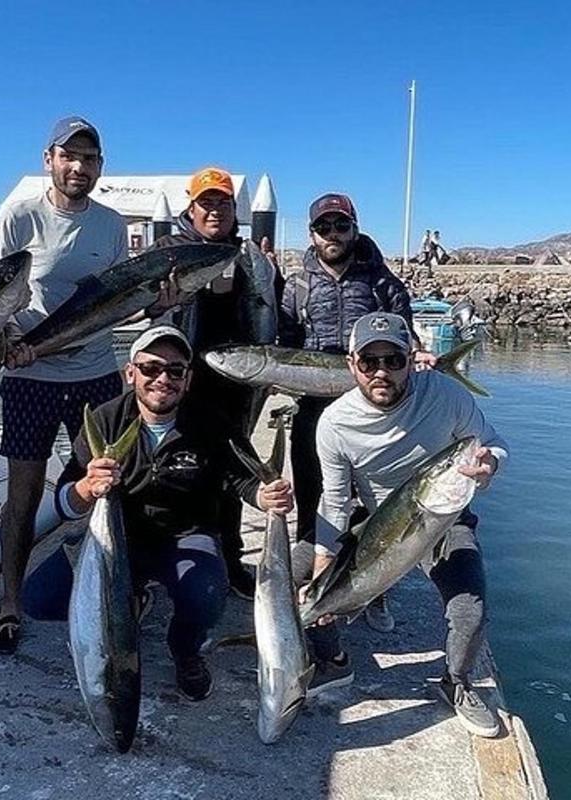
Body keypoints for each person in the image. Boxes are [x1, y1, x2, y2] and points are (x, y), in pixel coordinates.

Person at [21, 325, 293, 699]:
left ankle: (185, 651)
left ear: (188, 378)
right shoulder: (103, 421)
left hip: (186, 537)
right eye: (150, 368)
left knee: (207, 594)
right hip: (117, 539)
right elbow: (64, 505)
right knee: (39, 599)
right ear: (129, 373)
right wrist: (87, 486)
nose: (162, 378)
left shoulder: (211, 423)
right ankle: (132, 596)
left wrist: (266, 497)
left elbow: (242, 480)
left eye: (175, 370)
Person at [306, 312, 508, 738]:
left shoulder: (446, 396)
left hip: (444, 517)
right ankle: (334, 660)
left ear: (411, 358)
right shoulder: (336, 423)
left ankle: (456, 683)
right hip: (373, 518)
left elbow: (489, 444)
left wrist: (489, 465)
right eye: (369, 362)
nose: (382, 372)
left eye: (393, 361)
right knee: (300, 577)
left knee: (470, 610)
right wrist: (325, 563)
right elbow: (337, 499)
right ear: (352, 364)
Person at [0, 116, 131, 655]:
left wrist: (159, 303)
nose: (79, 167)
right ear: (49, 159)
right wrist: (11, 341)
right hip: (29, 375)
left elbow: (117, 298)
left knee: (107, 486)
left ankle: (102, 593)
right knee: (21, 495)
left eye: (89, 158)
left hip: (95, 373)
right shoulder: (18, 215)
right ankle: (9, 603)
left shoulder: (112, 226)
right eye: (70, 156)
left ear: (99, 167)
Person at [277, 192, 415, 632]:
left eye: (340, 226)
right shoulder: (297, 286)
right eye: (323, 227)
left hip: (372, 410)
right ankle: (314, 584)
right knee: (312, 496)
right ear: (312, 233)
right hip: (313, 408)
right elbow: (285, 343)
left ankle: (375, 591)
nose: (332, 234)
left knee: (376, 503)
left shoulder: (382, 283)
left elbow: (405, 342)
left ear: (354, 228)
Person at [146, 166, 279, 600]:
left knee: (232, 469)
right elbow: (146, 311)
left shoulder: (246, 254)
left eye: (223, 202)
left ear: (234, 209)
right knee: (173, 467)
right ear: (192, 207)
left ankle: (230, 554)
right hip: (181, 380)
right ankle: (159, 555)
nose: (215, 210)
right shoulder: (171, 249)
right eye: (207, 203)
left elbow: (265, 313)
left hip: (236, 383)